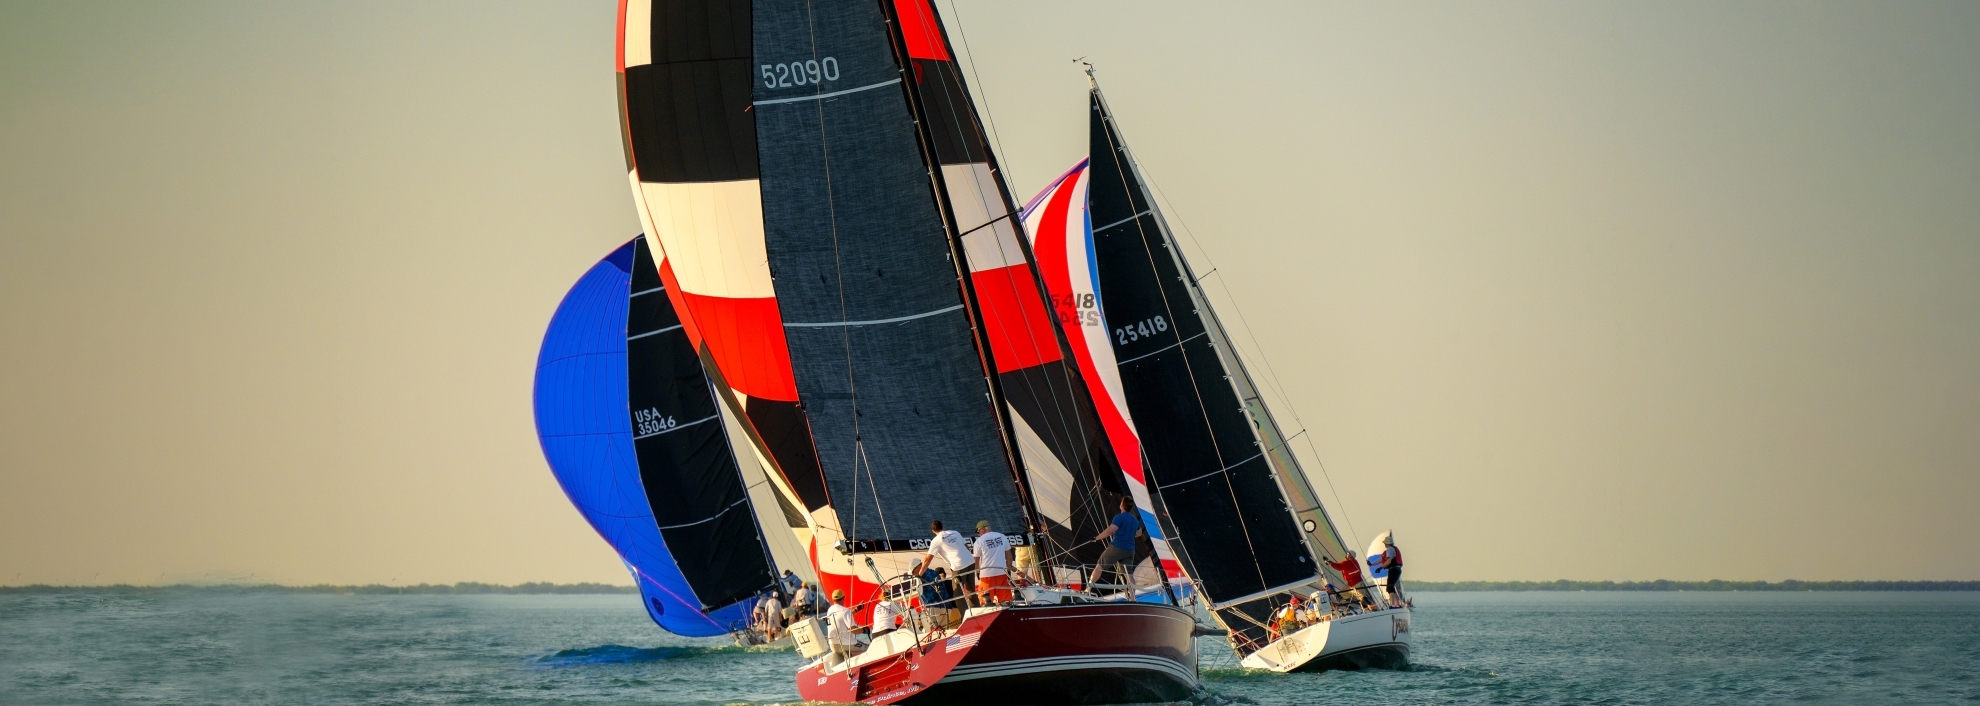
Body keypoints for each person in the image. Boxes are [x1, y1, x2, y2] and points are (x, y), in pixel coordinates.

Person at [911, 520, 976, 607]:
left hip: (958, 566)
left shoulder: (936, 540)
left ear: (933, 531)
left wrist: (920, 574)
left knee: (958, 595)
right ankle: (977, 610)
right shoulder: (955, 533)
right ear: (943, 527)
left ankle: (966, 616)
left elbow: (927, 559)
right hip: (971, 562)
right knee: (971, 591)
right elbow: (966, 547)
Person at [1089, 497, 1142, 593]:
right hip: (1130, 550)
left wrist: (1096, 538)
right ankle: (1133, 599)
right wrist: (1129, 534)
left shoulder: (1119, 517)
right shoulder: (1134, 520)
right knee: (1128, 574)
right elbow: (1139, 533)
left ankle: (1087, 589)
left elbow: (1110, 530)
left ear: (1122, 505)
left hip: (1117, 547)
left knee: (1099, 566)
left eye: (1121, 501)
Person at [972, 520, 1014, 604]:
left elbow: (976, 560)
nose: (978, 534)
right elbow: (1009, 556)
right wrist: (1008, 570)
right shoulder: (1002, 536)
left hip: (986, 576)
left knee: (985, 602)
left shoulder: (979, 541)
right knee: (1006, 601)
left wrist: (977, 572)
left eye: (978, 531)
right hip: (1002, 573)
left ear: (982, 529)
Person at [823, 589, 859, 667]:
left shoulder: (830, 610)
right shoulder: (846, 611)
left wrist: (855, 611)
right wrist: (865, 630)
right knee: (868, 648)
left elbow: (840, 617)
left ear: (833, 599)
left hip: (833, 645)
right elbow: (853, 630)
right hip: (845, 644)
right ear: (844, 598)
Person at [1374, 534, 1405, 608]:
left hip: (1394, 570)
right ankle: (1397, 605)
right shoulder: (1392, 549)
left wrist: (1380, 568)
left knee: (1389, 588)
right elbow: (1381, 559)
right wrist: (1372, 564)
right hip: (1396, 570)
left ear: (1386, 543)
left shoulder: (1390, 549)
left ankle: (1392, 605)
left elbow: (1388, 561)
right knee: (1391, 587)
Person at [1012, 519, 1043, 585]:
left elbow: (1044, 527)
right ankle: (1023, 588)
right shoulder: (1016, 520)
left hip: (1033, 550)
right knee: (1021, 577)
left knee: (1036, 575)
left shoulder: (1033, 518)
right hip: (1022, 549)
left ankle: (1037, 587)